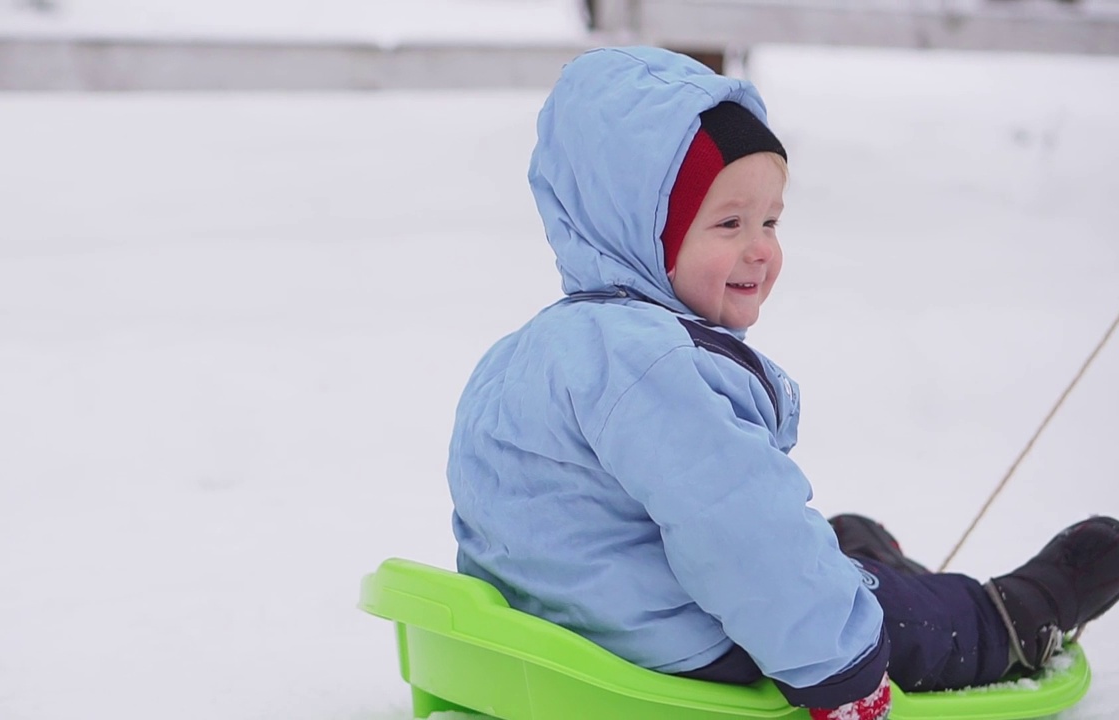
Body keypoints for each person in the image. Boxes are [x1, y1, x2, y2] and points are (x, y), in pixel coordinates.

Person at [445, 46, 1119, 720]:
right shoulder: (653, 367)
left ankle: (854, 550)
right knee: (895, 618)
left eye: (770, 221)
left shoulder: (526, 354)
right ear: (640, 234)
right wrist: (841, 673)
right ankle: (1019, 611)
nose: (760, 248)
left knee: (814, 559)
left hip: (577, 624)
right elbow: (739, 537)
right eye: (729, 223)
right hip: (672, 645)